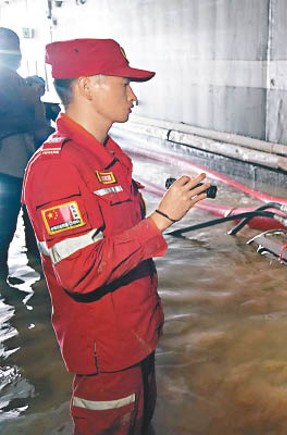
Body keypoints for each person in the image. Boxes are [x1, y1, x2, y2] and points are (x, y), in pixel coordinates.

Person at [22, 38, 212, 434]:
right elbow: (80, 270)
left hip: (136, 338)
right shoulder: (56, 168)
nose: (133, 96)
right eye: (124, 84)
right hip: (105, 355)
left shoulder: (110, 157)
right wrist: (161, 218)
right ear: (88, 86)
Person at [0, 27, 49, 283]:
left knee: (36, 232)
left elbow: (38, 126)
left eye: (15, 46)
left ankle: (40, 294)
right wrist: (28, 102)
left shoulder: (16, 79)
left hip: (28, 168)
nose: (13, 53)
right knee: (3, 233)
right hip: (6, 172)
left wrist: (34, 102)